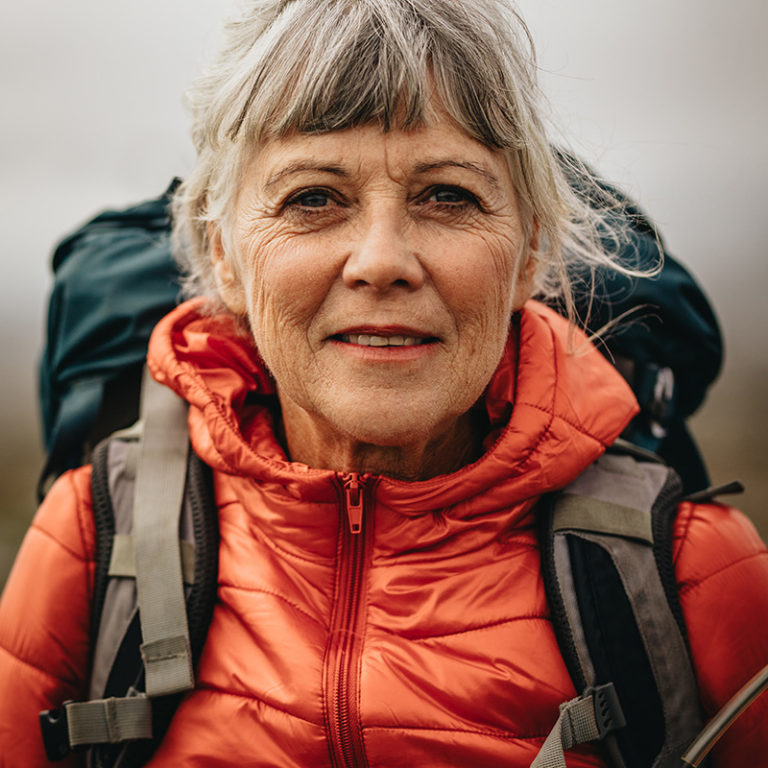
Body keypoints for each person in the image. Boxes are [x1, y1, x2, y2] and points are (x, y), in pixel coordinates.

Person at [1, 0, 766, 766]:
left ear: (530, 253)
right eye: (313, 198)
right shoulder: (94, 537)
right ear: (223, 253)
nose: (381, 260)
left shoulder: (697, 572)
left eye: (447, 196)